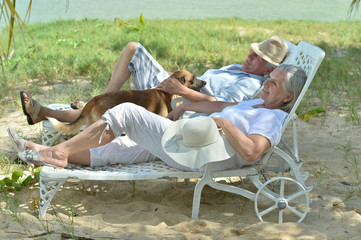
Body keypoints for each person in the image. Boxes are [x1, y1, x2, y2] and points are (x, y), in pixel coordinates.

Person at [9, 64, 307, 172]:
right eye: (268, 77)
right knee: (120, 149)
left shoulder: (272, 119)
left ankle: (59, 152)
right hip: (188, 139)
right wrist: (185, 106)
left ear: (288, 98)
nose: (266, 83)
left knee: (125, 113)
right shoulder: (259, 103)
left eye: (274, 83)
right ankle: (41, 152)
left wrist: (225, 124)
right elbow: (220, 106)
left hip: (198, 153)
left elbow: (252, 152)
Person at [20, 36, 289, 125]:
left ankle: (44, 113)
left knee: (134, 51)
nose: (250, 57)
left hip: (183, 107)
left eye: (257, 57)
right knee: (133, 48)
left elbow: (222, 105)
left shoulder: (252, 84)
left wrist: (179, 90)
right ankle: (97, 101)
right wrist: (178, 82)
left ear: (268, 70)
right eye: (253, 51)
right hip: (177, 91)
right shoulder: (238, 68)